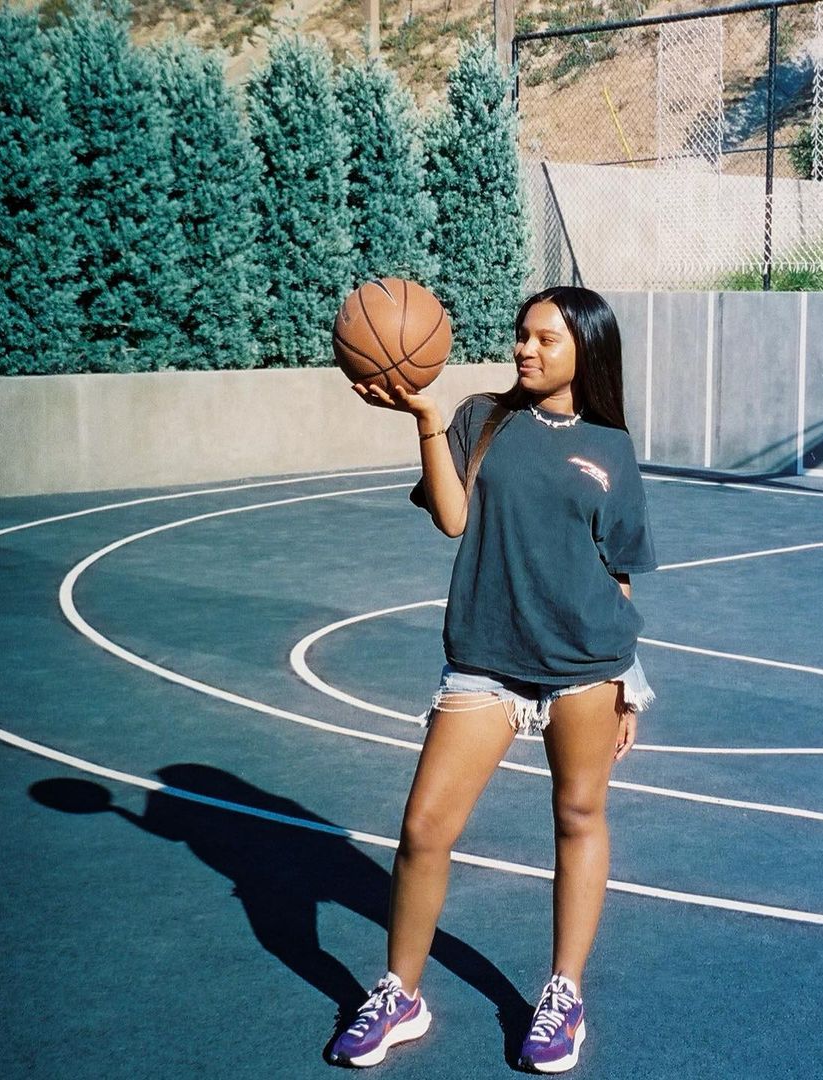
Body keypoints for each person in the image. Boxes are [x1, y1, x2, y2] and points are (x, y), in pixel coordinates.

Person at [326, 286, 657, 1073]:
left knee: (578, 818)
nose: (524, 349)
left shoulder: (612, 448)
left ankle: (563, 995)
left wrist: (631, 682)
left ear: (586, 349)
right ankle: (400, 994)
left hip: (586, 667)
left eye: (545, 339)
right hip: (485, 660)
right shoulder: (482, 418)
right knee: (423, 830)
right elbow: (452, 518)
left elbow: (618, 575)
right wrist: (426, 417)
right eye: (520, 335)